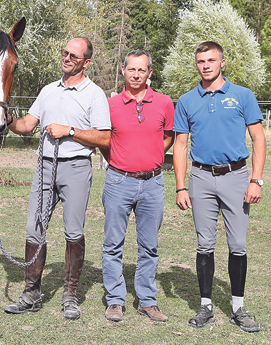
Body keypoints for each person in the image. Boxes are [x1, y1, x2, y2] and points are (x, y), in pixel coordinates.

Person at [3, 37, 111, 319]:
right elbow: (27, 124)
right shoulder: (49, 90)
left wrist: (70, 131)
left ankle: (70, 295)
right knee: (33, 230)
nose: (66, 58)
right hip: (45, 167)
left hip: (76, 167)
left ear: (86, 62)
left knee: (73, 232)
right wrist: (6, 122)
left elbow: (104, 137)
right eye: (64, 52)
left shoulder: (94, 94)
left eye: (74, 56)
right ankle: (31, 293)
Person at [173, 41, 266, 333]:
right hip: (200, 178)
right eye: (201, 61)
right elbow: (180, 144)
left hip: (237, 177)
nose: (206, 65)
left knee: (237, 244)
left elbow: (259, 139)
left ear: (222, 62)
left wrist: (256, 179)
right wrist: (180, 186)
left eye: (211, 60)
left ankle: (238, 308)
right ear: (196, 64)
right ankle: (206, 307)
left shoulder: (242, 95)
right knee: (204, 244)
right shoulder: (187, 100)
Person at [100, 50, 174, 323]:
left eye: (141, 70)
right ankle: (116, 300)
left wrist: (150, 157)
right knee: (112, 245)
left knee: (150, 246)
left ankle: (147, 300)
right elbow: (104, 141)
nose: (136, 74)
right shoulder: (110, 104)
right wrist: (121, 162)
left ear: (149, 73)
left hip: (153, 183)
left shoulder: (164, 102)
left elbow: (168, 137)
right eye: (131, 69)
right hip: (118, 181)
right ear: (123, 70)